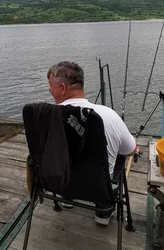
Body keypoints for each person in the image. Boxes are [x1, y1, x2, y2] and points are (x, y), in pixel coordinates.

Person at [47, 60, 136, 225]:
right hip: (98, 188)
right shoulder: (108, 115)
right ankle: (103, 210)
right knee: (119, 156)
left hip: (56, 184)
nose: (49, 90)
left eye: (51, 86)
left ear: (63, 88)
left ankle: (67, 197)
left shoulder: (47, 117)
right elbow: (130, 151)